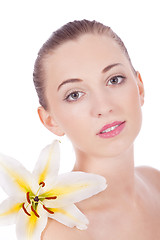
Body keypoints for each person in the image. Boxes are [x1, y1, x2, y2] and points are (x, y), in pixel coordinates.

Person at [33, 20, 160, 239]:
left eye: (114, 79)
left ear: (139, 87)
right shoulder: (60, 230)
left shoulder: (155, 180)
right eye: (74, 95)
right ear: (50, 121)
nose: (104, 107)